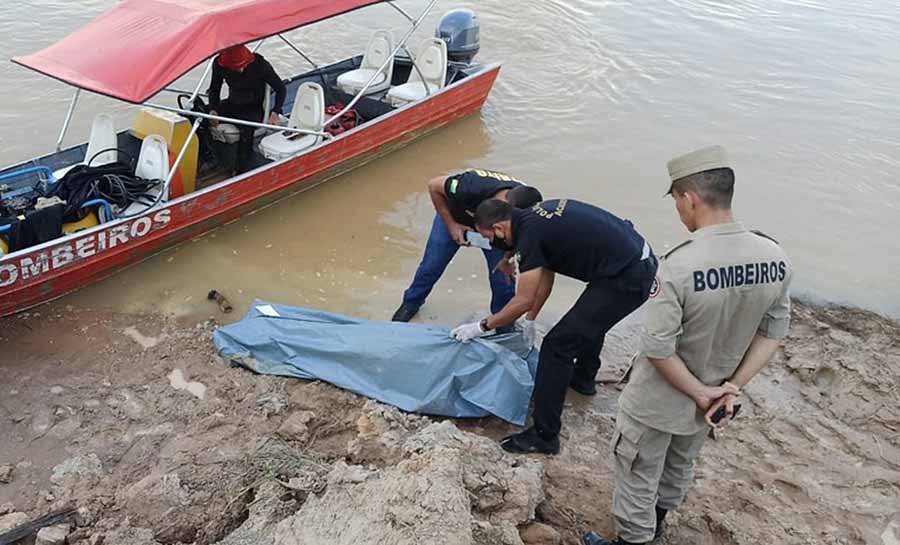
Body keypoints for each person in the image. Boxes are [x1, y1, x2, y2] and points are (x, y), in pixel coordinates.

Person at [582, 146, 792, 545]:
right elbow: (772, 334)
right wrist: (730, 388)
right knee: (679, 466)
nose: (679, 211)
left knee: (637, 472)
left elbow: (659, 349)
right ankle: (658, 528)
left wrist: (699, 392)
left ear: (689, 199)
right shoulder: (774, 257)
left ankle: (634, 539)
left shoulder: (679, 265)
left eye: (677, 201)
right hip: (714, 402)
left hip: (661, 400)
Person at [453, 197, 657, 454]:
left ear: (499, 229)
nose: (492, 244)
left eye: (490, 238)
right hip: (628, 262)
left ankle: (544, 436)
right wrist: (530, 319)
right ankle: (583, 380)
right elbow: (544, 280)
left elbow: (522, 300)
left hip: (628, 278)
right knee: (589, 321)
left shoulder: (530, 238)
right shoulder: (536, 218)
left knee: (556, 346)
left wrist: (482, 326)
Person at [391, 169, 543, 323]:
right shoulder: (471, 185)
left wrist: (506, 259)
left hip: (497, 232)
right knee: (431, 265)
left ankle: (502, 321)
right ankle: (411, 303)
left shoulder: (527, 205)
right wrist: (451, 225)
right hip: (456, 218)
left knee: (503, 279)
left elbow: (520, 237)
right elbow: (433, 186)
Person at [207, 45, 287, 173]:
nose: (241, 69)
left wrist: (275, 112)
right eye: (237, 67)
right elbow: (214, 89)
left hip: (253, 107)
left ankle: (241, 170)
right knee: (202, 115)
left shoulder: (260, 65)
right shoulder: (219, 64)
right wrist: (213, 110)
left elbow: (281, 88)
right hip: (233, 103)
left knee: (246, 131)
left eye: (243, 65)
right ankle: (211, 157)